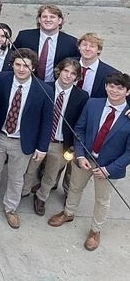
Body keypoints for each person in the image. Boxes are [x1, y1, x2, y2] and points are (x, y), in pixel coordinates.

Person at [0, 49, 53, 230]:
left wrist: (42, 147)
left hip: (22, 141)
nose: (21, 69)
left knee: (16, 177)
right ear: (12, 65)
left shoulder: (44, 90)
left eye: (26, 66)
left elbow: (47, 121)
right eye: (18, 65)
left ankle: (11, 208)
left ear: (33, 68)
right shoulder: (1, 79)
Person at [47, 72, 130, 251]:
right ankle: (68, 213)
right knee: (75, 188)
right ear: (106, 87)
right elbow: (79, 129)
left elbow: (129, 152)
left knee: (102, 200)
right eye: (111, 86)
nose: (114, 91)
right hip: (85, 157)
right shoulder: (93, 104)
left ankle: (95, 230)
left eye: (120, 88)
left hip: (108, 167)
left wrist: (109, 170)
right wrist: (80, 155)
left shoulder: (128, 115)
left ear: (127, 91)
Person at [22, 59, 88, 216]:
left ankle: (41, 197)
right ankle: (23, 190)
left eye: (73, 73)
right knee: (30, 169)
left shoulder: (81, 96)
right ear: (59, 71)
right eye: (66, 71)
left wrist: (73, 146)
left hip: (60, 143)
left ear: (77, 77)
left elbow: (80, 123)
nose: (68, 76)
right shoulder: (44, 87)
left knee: (51, 175)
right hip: (39, 140)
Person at [13, 4, 80, 82]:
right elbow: (12, 58)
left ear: (60, 20)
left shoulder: (71, 42)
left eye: (52, 17)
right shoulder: (24, 37)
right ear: (39, 19)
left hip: (56, 85)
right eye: (44, 17)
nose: (48, 20)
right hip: (26, 82)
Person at [76, 33, 118, 98]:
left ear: (99, 50)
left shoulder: (110, 73)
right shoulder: (67, 63)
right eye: (84, 45)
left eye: (92, 46)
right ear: (79, 47)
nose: (87, 48)